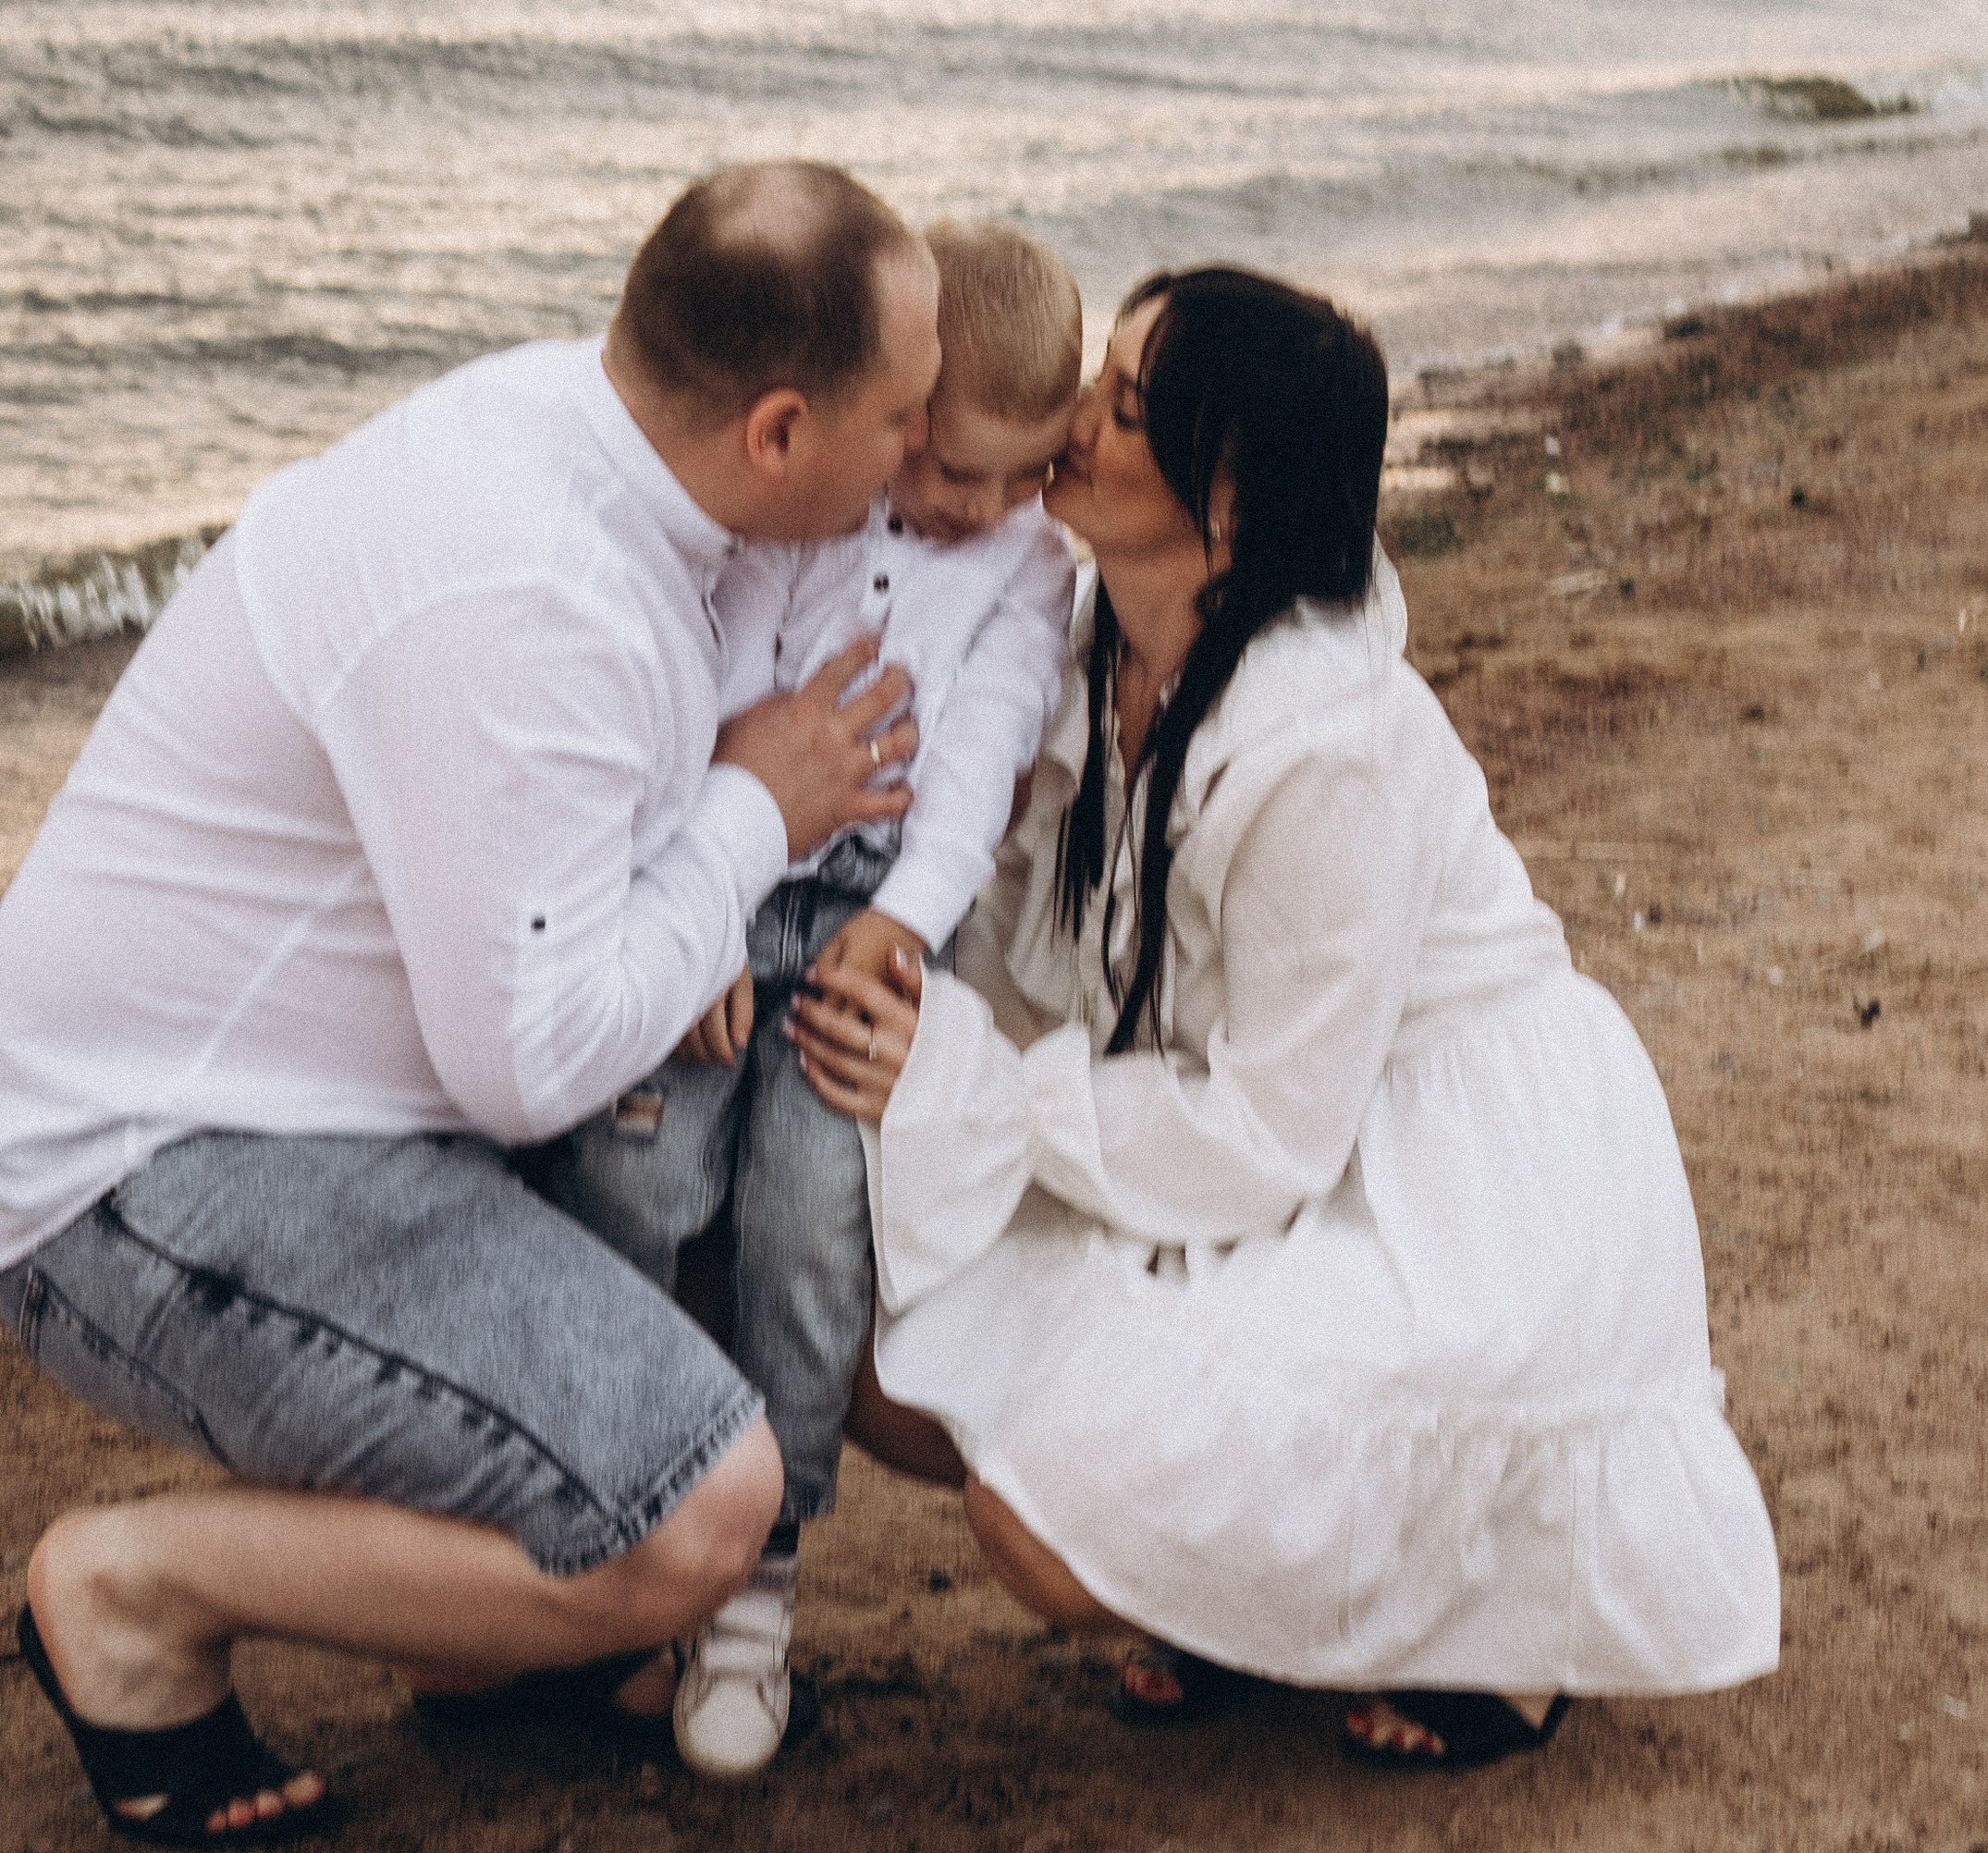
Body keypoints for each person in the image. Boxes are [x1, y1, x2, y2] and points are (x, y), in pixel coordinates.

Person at [0, 160, 939, 1844]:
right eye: (905, 420)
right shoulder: (532, 592)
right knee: (693, 1506)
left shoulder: (580, 440)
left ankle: (472, 1642)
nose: (923, 459)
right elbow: (534, 1062)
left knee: (724, 1213)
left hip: (324, 1107)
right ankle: (132, 1597)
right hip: (149, 1171)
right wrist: (756, 814)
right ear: (781, 433)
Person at [792, 266, 1783, 1774]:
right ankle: (1247, 1602)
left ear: (1232, 506)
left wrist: (975, 1095)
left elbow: (1267, 1133)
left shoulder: (1327, 748)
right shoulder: (1087, 632)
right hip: (1236, 1114)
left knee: (1043, 1528)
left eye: (1125, 410)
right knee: (881, 1350)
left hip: (1445, 1181)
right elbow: (1045, 936)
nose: (1069, 421)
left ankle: (1492, 1633)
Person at [552, 219, 1083, 1779]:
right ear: (898, 408)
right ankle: (624, 1522)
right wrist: (704, 902)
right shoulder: (800, 521)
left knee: (804, 1221)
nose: (977, 506)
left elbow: (982, 755)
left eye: (1024, 474)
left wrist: (906, 922)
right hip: (723, 885)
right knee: (638, 1173)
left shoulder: (1025, 572)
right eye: (949, 465)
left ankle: (753, 1595)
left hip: (863, 924)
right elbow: (705, 693)